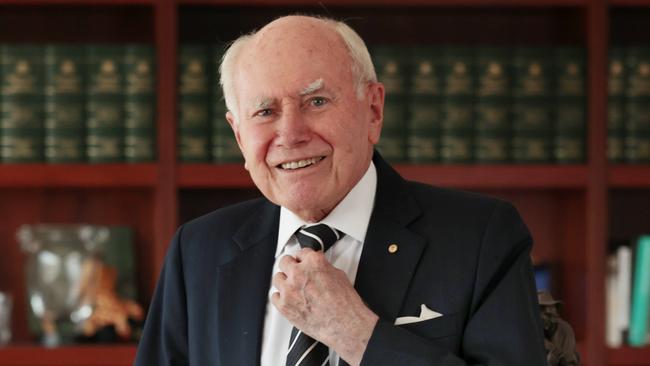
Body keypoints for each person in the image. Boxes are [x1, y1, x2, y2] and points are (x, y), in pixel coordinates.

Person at [135, 15, 546, 366]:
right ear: (239, 135)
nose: (290, 134)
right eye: (265, 111)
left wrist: (357, 334)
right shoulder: (199, 250)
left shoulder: (481, 238)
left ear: (373, 110)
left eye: (316, 101)